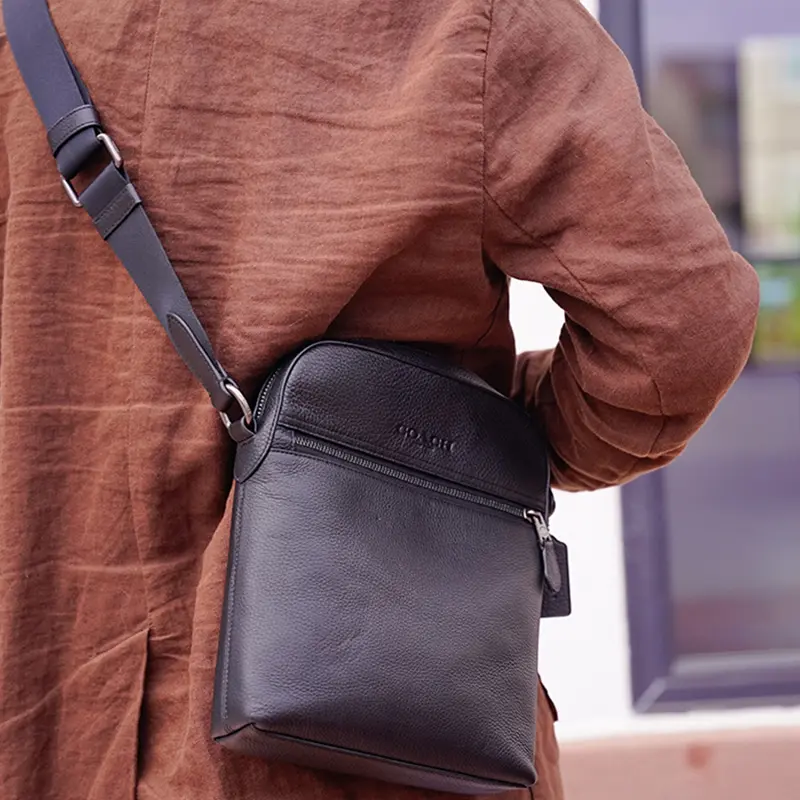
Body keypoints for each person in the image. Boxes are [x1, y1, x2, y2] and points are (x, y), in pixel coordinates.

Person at [0, 0, 758, 798]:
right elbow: (685, 324)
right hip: (358, 752)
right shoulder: (463, 20)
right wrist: (480, 448)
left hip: (49, 715)